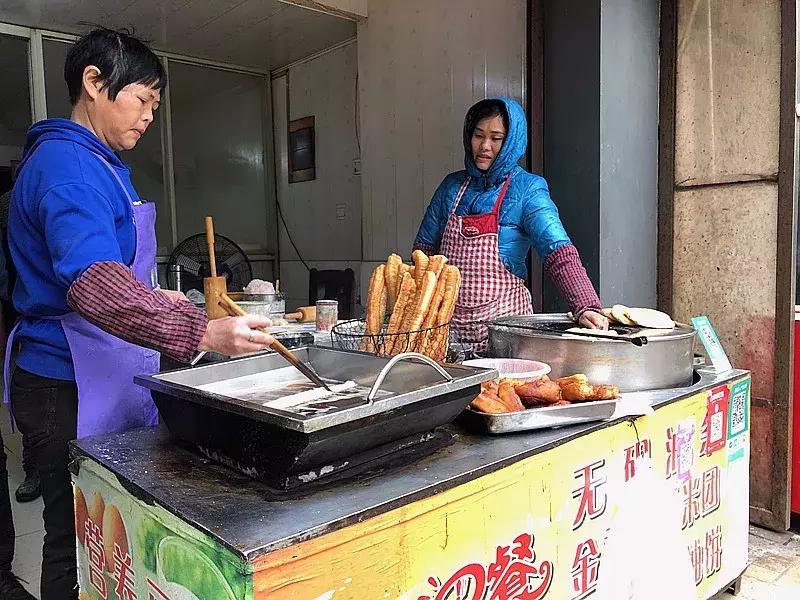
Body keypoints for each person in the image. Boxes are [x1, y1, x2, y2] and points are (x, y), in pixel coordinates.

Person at [4, 28, 274, 600]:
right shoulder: (67, 166)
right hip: (66, 379)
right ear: (94, 83)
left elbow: (113, 274)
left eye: (156, 104)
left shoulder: (100, 164)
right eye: (144, 99)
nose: (150, 116)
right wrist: (197, 330)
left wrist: (162, 300)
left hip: (103, 366)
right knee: (75, 539)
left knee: (107, 533)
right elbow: (95, 287)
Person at [413, 97, 608, 351]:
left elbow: (557, 251)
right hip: (449, 338)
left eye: (496, 138)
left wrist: (586, 305)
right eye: (478, 135)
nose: (484, 146)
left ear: (512, 142)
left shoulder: (527, 189)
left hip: (506, 336)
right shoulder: (451, 187)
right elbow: (423, 253)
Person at [0, 183, 40, 504]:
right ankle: (33, 470)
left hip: (53, 316)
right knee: (31, 388)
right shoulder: (8, 204)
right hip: (22, 307)